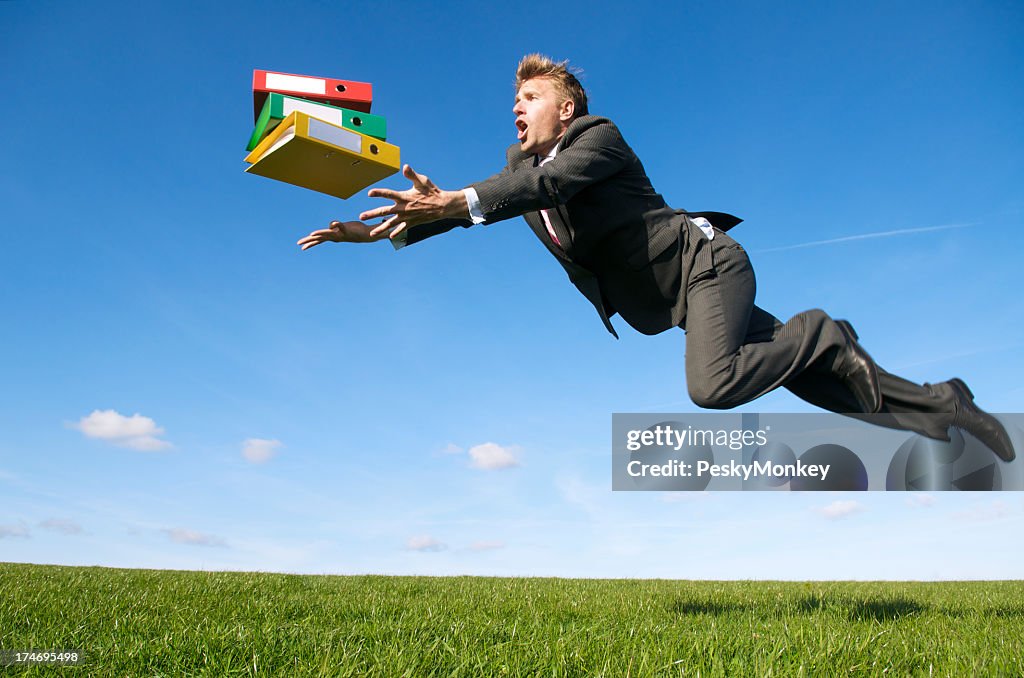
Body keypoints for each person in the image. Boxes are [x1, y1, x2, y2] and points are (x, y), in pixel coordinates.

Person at [297, 54, 1015, 463]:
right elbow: (497, 201)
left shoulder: (598, 140)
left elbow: (540, 183)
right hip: (681, 301)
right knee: (818, 383)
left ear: (567, 108)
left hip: (709, 266)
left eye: (531, 95)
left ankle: (823, 329)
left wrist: (459, 199)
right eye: (513, 99)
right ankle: (942, 404)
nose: (517, 106)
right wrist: (370, 233)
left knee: (716, 386)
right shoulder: (519, 174)